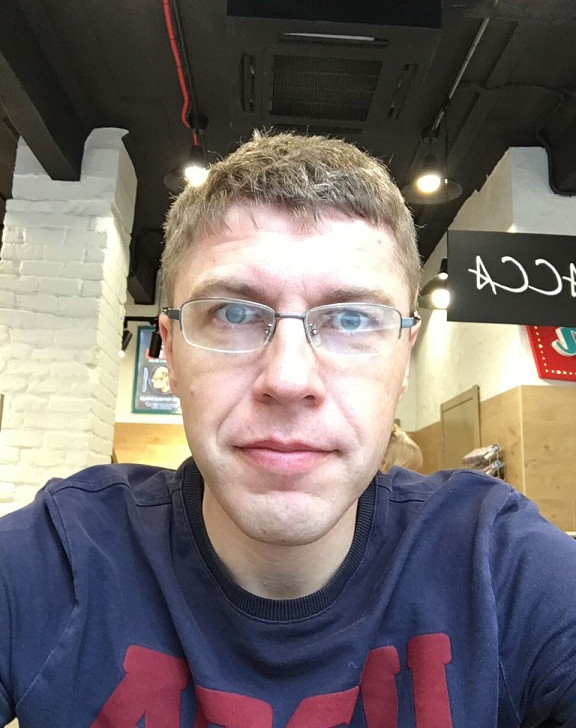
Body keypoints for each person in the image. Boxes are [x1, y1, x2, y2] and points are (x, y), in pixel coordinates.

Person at [0, 131, 575, 727]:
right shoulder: (62, 560)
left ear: (404, 356)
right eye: (233, 313)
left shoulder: (502, 570)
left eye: (351, 319)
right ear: (169, 350)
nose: (289, 379)